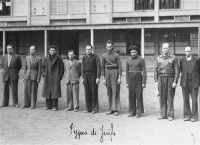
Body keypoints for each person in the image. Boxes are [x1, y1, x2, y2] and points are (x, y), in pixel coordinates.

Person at [154, 43, 179, 121]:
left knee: (170, 97)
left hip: (170, 79)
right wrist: (156, 81)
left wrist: (175, 81)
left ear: (169, 49)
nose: (165, 49)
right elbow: (155, 70)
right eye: (164, 48)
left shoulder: (173, 58)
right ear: (162, 49)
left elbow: (177, 71)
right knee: (162, 97)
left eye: (167, 48)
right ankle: (163, 114)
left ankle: (170, 115)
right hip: (161, 78)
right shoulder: (158, 58)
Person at [179, 46, 200, 122]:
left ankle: (194, 116)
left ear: (191, 51)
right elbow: (181, 70)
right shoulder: (182, 60)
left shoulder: (197, 60)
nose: (187, 52)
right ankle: (187, 115)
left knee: (194, 100)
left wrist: (198, 81)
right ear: (184, 52)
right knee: (186, 100)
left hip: (194, 82)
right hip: (185, 82)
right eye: (186, 51)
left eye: (189, 51)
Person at [102, 40, 122, 116]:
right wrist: (103, 78)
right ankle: (110, 109)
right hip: (107, 73)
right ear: (106, 47)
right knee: (109, 92)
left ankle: (116, 109)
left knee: (115, 91)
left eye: (110, 46)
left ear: (112, 47)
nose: (109, 48)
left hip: (115, 72)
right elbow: (102, 67)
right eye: (107, 46)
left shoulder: (116, 55)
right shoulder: (104, 55)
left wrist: (119, 77)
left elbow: (120, 67)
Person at [126, 46, 146, 117]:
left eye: (134, 52)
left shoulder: (141, 59)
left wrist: (144, 82)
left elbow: (144, 71)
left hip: (138, 79)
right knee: (131, 96)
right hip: (131, 79)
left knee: (139, 96)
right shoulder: (128, 60)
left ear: (137, 52)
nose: (133, 53)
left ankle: (139, 111)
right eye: (131, 52)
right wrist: (127, 82)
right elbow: (127, 72)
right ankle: (132, 111)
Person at [42, 45, 64, 111]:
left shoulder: (59, 58)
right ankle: (48, 105)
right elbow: (43, 67)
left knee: (55, 92)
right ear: (49, 51)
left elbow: (62, 69)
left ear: (55, 51)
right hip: (48, 77)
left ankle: (55, 106)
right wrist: (44, 74)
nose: (52, 51)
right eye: (51, 50)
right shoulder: (46, 58)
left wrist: (59, 77)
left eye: (53, 50)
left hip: (55, 77)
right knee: (47, 92)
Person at [81, 44, 101, 114]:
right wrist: (83, 77)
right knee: (87, 92)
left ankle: (94, 108)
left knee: (93, 92)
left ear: (92, 50)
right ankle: (88, 108)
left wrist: (98, 77)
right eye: (87, 49)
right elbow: (82, 68)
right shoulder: (84, 57)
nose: (88, 50)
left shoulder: (96, 57)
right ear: (85, 50)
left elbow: (99, 67)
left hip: (93, 75)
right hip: (86, 76)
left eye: (89, 49)